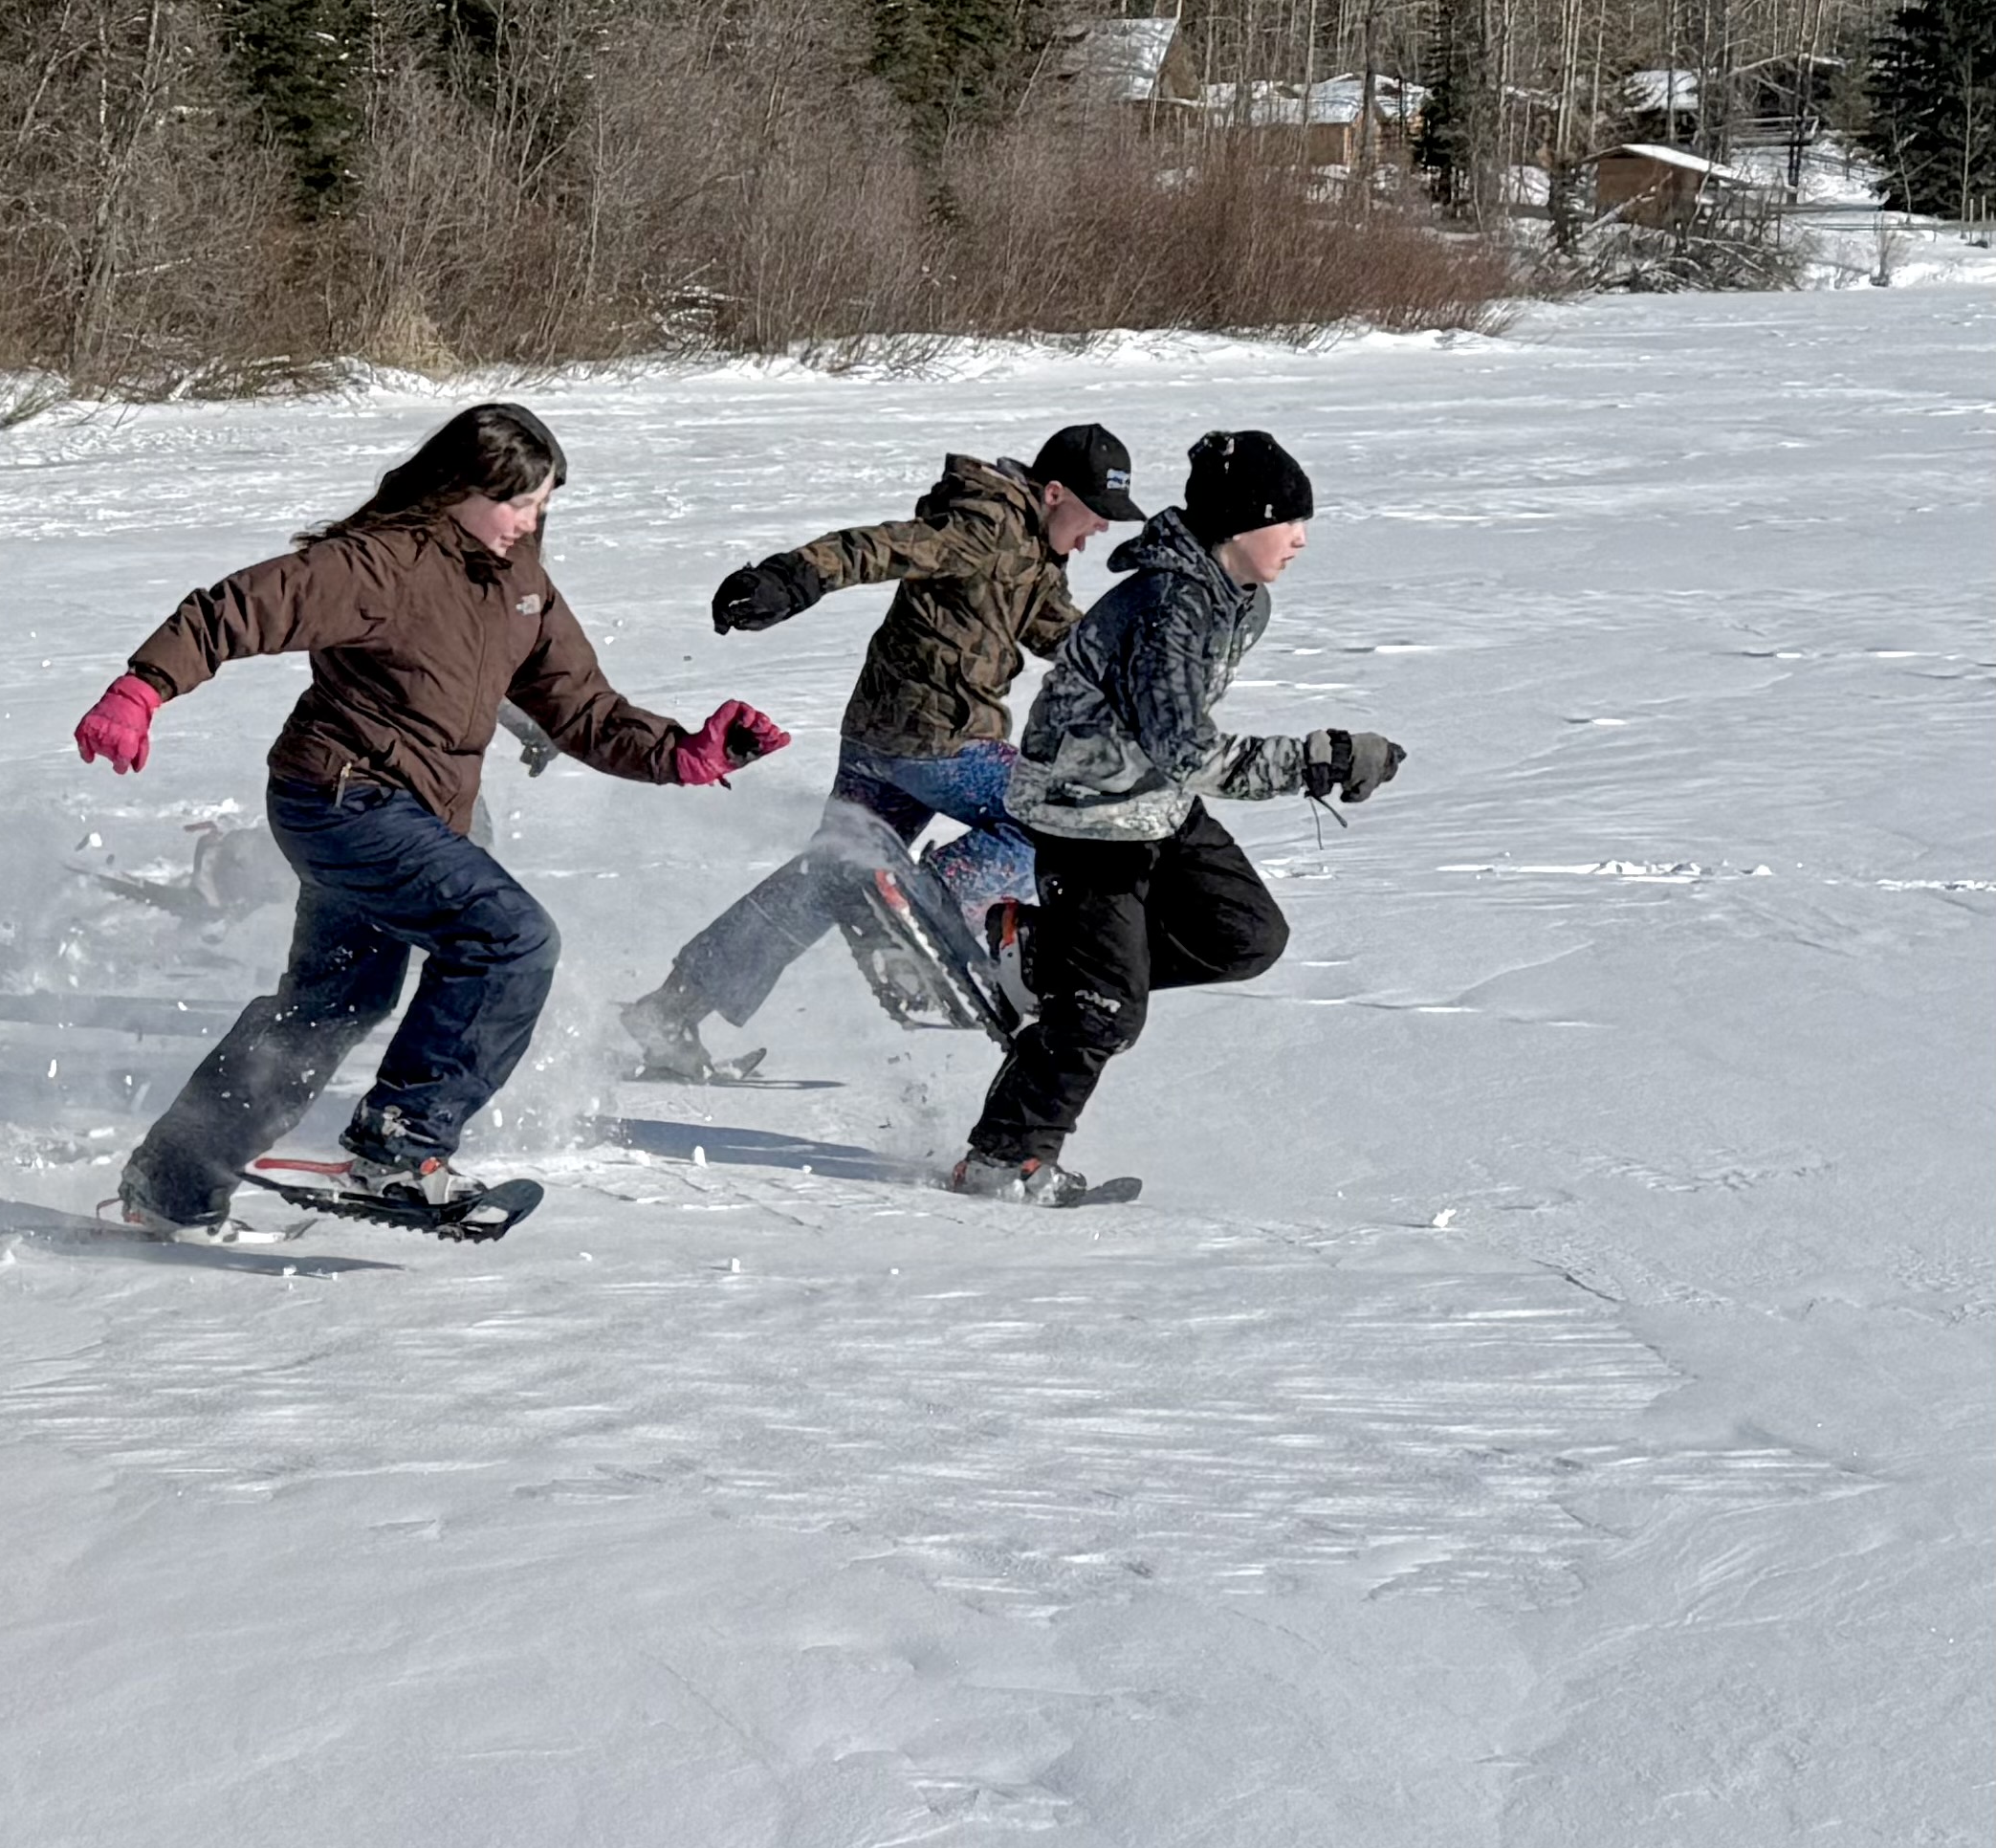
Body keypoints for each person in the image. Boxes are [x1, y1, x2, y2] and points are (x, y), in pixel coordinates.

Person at [72, 403, 790, 1236]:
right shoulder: (379, 565)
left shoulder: (521, 586)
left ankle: (171, 1184)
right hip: (342, 798)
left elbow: (582, 707)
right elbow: (230, 609)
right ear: (458, 486)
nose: (527, 523)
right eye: (515, 502)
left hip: (409, 815)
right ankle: (399, 1144)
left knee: (332, 1005)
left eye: (543, 506)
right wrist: (142, 688)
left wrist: (685, 752)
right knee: (509, 937)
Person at [952, 429, 1402, 1203]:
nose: (1299, 539)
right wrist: (1315, 760)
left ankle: (1039, 956)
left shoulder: (1239, 600)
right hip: (1083, 811)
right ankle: (1001, 1158)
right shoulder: (1172, 608)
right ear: (1236, 524)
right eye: (1287, 522)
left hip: (1151, 804)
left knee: (1246, 936)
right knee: (1102, 1012)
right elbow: (1185, 747)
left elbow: (1171, 758)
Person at [621, 424, 1142, 1079]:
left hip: (881, 741)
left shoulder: (1032, 551)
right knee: (1055, 811)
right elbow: (883, 548)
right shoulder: (987, 523)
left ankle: (673, 1009)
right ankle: (930, 913)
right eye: (1095, 517)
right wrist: (794, 576)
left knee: (830, 875)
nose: (1097, 533)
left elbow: (1052, 628)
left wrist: (1132, 680)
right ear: (1056, 493)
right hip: (936, 742)